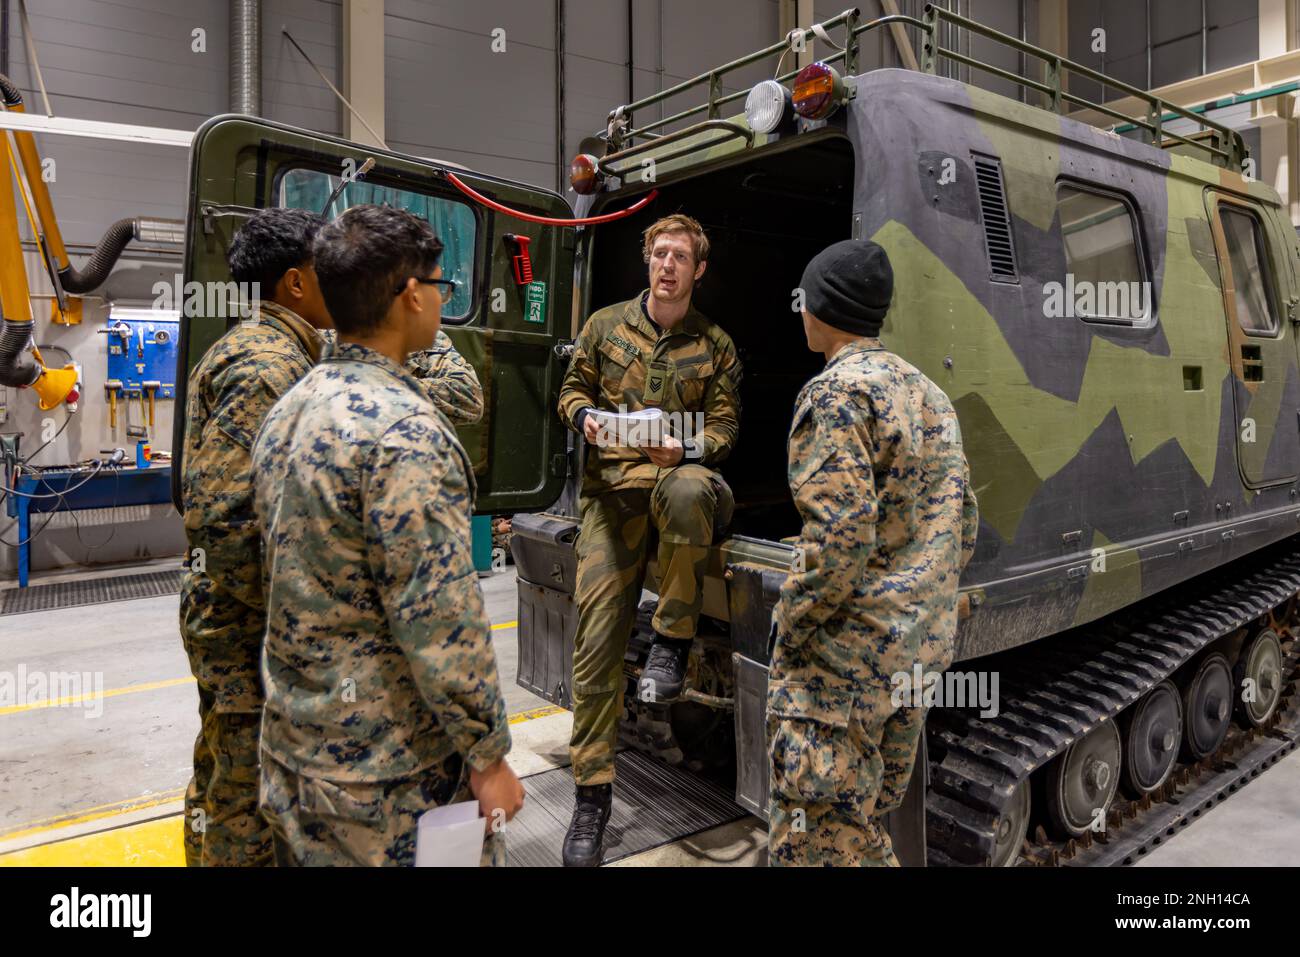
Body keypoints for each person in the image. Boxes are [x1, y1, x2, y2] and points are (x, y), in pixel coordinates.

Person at [251, 204, 522, 866]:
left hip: (294, 750)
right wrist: (487, 755)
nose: (439, 299)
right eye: (439, 285)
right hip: (387, 779)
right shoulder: (407, 432)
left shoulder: (288, 409)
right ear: (410, 295)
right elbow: (439, 617)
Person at [767, 239, 978, 867]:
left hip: (843, 667)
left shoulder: (835, 394)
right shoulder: (928, 394)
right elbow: (963, 525)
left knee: (821, 843)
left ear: (823, 307)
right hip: (915, 655)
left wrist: (794, 621)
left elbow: (841, 538)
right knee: (864, 821)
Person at [555, 213, 742, 866]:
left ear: (698, 270)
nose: (667, 265)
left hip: (679, 488)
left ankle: (671, 642)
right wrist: (588, 420)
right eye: (658, 254)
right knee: (597, 640)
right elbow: (571, 391)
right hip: (612, 501)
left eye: (679, 257)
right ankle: (591, 800)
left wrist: (683, 446)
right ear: (647, 262)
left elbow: (724, 427)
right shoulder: (606, 325)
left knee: (690, 486)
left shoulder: (714, 344)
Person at [178, 208, 332, 867]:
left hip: (234, 613)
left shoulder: (266, 349)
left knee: (223, 768)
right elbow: (225, 515)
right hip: (246, 622)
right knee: (244, 792)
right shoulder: (268, 365)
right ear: (296, 283)